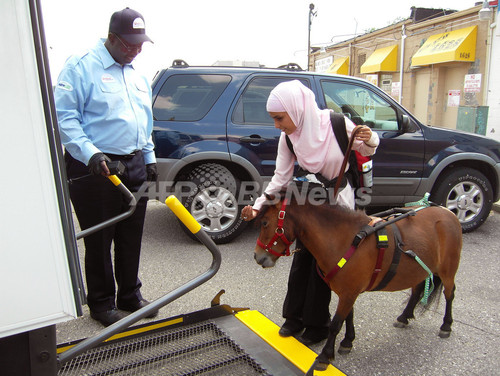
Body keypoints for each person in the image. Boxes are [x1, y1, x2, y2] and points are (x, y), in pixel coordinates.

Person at [241, 80, 379, 345]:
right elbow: (279, 179)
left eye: (279, 118)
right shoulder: (288, 138)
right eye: (274, 119)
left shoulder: (338, 125)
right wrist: (258, 208)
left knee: (323, 268)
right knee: (301, 262)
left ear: (297, 109)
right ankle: (294, 319)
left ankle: (317, 327)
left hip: (340, 208)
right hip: (311, 207)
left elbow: (367, 148)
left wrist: (369, 137)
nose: (277, 125)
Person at [54, 8, 158, 327]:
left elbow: (144, 122)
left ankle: (130, 294)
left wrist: (150, 160)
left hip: (134, 162)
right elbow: (65, 117)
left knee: (131, 233)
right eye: (130, 44)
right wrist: (92, 154)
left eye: (141, 43)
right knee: (100, 239)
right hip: (96, 167)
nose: (137, 49)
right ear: (112, 38)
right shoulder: (81, 66)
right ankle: (101, 302)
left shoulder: (137, 74)